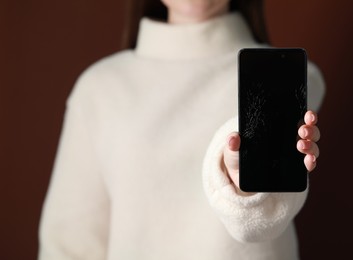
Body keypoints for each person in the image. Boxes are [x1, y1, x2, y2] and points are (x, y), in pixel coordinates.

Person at [38, 0, 325, 259]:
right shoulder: (99, 88)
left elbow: (262, 219)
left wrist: (240, 178)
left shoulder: (287, 78)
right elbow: (69, 244)